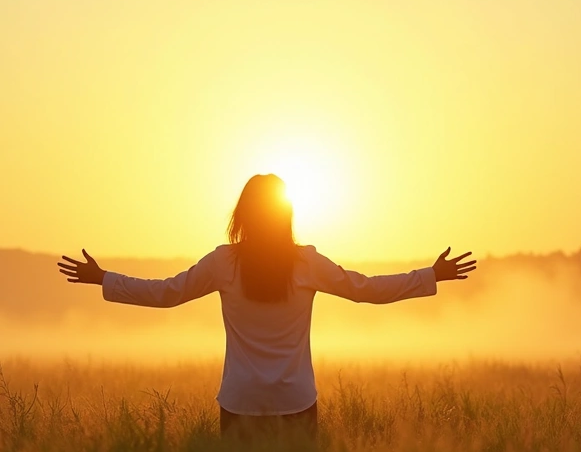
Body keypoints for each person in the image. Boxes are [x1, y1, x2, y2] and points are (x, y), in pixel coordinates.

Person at [56, 174, 475, 437]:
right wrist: (430, 275)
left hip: (241, 403)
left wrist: (104, 278)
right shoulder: (306, 262)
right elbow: (366, 289)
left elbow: (166, 294)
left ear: (242, 216)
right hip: (295, 402)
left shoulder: (224, 262)